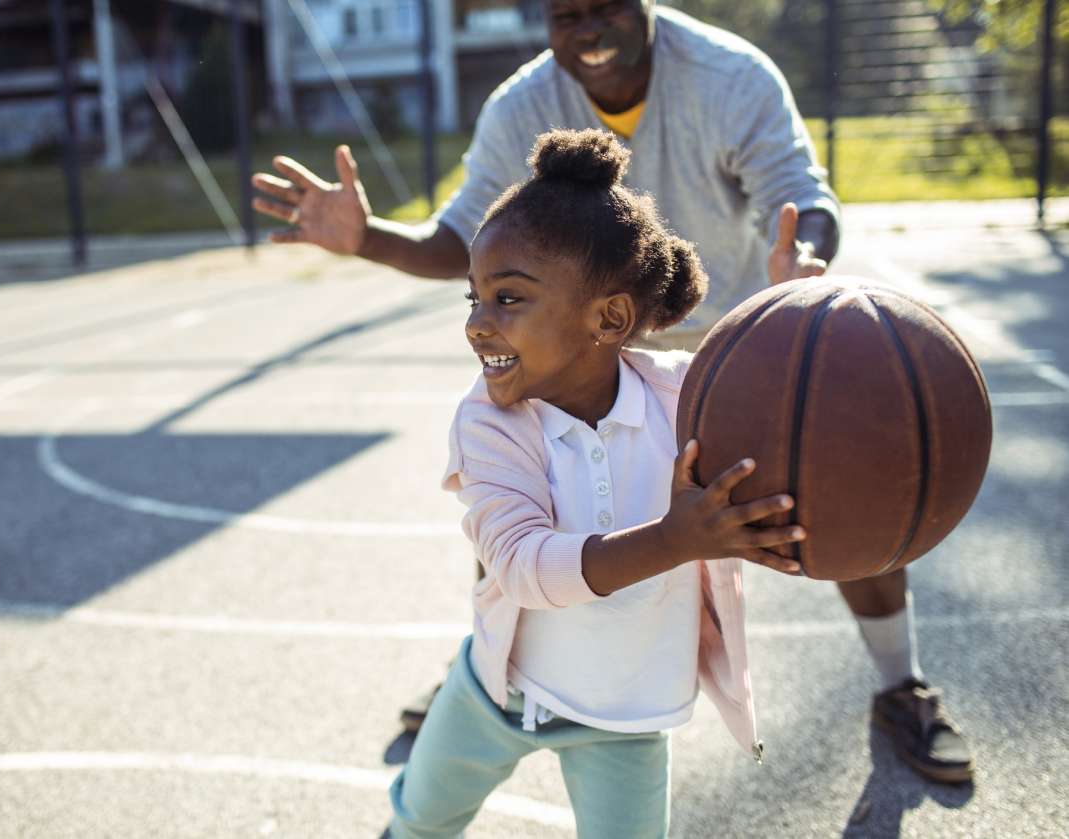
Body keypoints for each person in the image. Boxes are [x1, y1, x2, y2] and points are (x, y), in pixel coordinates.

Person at [253, 0, 972, 784]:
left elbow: (800, 194)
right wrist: (367, 237)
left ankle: (899, 682)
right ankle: (487, 673)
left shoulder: (729, 76)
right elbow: (460, 237)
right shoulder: (520, 104)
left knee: (834, 480)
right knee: (517, 501)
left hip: (725, 346)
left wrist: (799, 260)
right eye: (565, 15)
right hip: (571, 347)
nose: (585, 30)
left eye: (602, 10)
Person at [389, 127, 805, 839]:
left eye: (507, 299)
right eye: (474, 299)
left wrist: (795, 319)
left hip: (626, 714)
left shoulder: (682, 399)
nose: (478, 325)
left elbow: (775, 406)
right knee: (419, 821)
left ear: (608, 317)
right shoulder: (489, 423)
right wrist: (674, 539)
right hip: (499, 692)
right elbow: (521, 566)